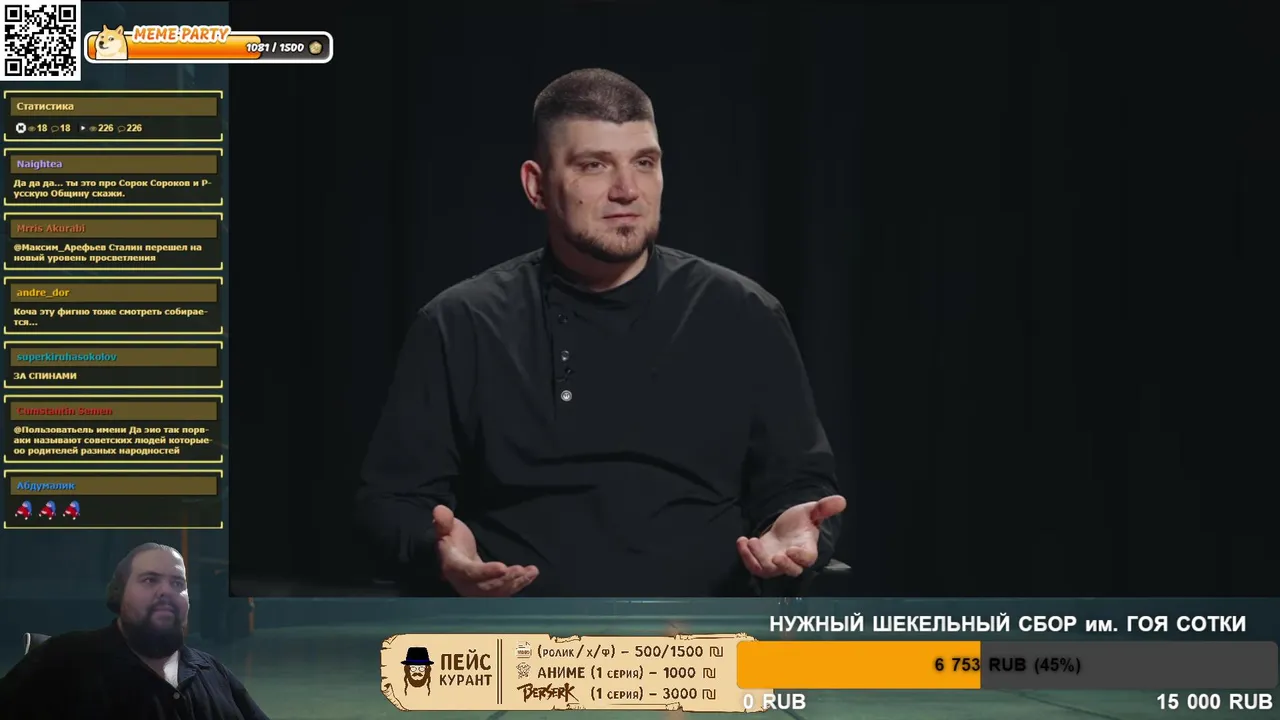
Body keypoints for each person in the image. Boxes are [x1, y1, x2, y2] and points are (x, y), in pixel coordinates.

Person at [357, 68, 846, 597]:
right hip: (517, 636)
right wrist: (439, 552)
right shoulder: (460, 323)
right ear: (536, 185)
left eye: (645, 163)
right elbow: (391, 504)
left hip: (702, 635)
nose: (627, 190)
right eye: (594, 165)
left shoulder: (744, 314)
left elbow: (798, 486)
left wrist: (797, 529)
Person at [0, 543, 270, 719]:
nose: (166, 591)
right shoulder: (63, 660)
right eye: (150, 580)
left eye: (178, 583)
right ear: (119, 593)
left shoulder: (212, 672)